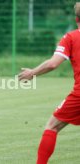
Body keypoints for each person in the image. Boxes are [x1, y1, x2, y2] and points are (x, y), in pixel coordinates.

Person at [18, 3, 80, 164]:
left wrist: (32, 72)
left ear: (76, 19)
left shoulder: (71, 37)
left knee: (52, 126)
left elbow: (53, 64)